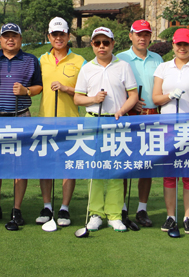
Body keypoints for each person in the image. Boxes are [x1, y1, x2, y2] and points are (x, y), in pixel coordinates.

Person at [74, 27, 138, 233]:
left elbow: (133, 95)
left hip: (117, 121)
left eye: (106, 42)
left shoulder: (123, 66)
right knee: (95, 169)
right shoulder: (87, 68)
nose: (101, 46)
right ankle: (95, 213)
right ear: (92, 45)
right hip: (93, 121)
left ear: (113, 43)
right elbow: (78, 98)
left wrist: (122, 110)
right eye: (97, 43)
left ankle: (115, 214)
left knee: (116, 170)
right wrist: (94, 99)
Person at [151, 28, 189, 234]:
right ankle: (170, 216)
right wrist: (169, 96)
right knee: (169, 174)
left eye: (186, 44)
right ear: (173, 45)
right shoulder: (163, 68)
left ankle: (188, 217)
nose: (182, 48)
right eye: (179, 44)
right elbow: (156, 98)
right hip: (167, 127)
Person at [0, 23, 42, 227]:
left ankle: (16, 209)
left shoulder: (31, 59)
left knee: (20, 165)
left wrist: (26, 91)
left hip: (20, 116)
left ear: (20, 39)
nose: (10, 39)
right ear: (0, 40)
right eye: (6, 36)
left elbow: (39, 86)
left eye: (14, 36)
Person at [36, 17, 86, 227]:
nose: (58, 38)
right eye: (54, 34)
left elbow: (86, 91)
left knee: (68, 166)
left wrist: (67, 89)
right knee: (46, 166)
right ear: (49, 36)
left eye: (62, 34)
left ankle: (64, 208)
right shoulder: (41, 60)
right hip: (45, 121)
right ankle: (47, 206)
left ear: (68, 35)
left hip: (70, 122)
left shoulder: (80, 61)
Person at [116, 19, 161, 227]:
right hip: (128, 114)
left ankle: (142, 209)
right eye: (138, 34)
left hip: (152, 115)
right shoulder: (120, 58)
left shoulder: (157, 59)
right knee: (126, 163)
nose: (142, 38)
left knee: (146, 165)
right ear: (130, 35)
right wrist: (130, 100)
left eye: (146, 34)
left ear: (150, 37)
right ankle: (122, 207)